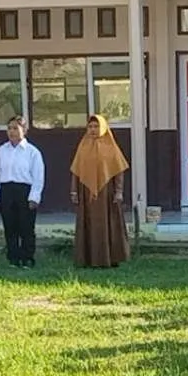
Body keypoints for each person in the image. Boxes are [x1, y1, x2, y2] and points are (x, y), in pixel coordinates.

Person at [70, 114, 130, 268]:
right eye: (90, 127)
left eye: (96, 126)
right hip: (86, 193)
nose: (93, 130)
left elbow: (118, 171)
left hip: (106, 194)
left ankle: (110, 258)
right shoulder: (83, 146)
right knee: (88, 224)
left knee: (108, 224)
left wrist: (118, 191)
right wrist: (74, 191)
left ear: (103, 127)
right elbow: (76, 171)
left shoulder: (111, 147)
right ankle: (88, 259)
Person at [0, 115, 45, 269]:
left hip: (24, 191)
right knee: (10, 226)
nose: (12, 132)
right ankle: (13, 257)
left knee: (26, 227)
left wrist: (34, 196)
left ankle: (27, 257)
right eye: (9, 128)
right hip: (7, 190)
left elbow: (38, 176)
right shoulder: (1, 151)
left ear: (24, 130)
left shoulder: (32, 152)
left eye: (15, 128)